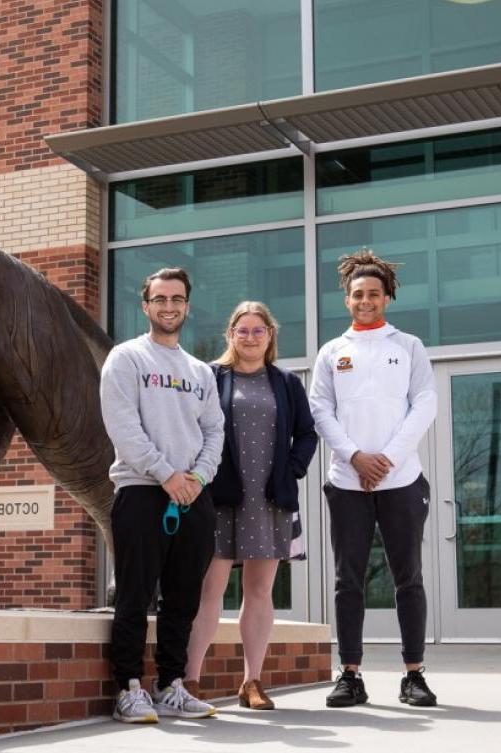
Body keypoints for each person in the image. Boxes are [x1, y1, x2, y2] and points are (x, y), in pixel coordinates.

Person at [308, 249, 439, 708]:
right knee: (349, 580)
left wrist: (386, 458)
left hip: (402, 481)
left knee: (409, 579)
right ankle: (349, 675)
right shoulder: (332, 351)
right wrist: (354, 456)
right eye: (357, 294)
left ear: (387, 298)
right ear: (346, 299)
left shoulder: (408, 347)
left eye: (374, 294)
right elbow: (319, 409)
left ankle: (414, 675)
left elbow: (425, 403)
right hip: (347, 483)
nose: (366, 301)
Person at [101, 267, 226, 723]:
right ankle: (128, 687)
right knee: (134, 594)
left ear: (187, 307)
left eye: (177, 299)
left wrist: (197, 478)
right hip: (140, 492)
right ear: (146, 305)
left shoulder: (200, 371)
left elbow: (214, 429)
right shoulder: (127, 358)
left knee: (183, 598)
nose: (169, 306)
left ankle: (170, 684)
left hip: (194, 497)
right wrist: (165, 473)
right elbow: (123, 426)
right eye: (160, 299)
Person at [184, 301, 318, 710]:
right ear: (231, 334)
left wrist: (292, 469)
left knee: (259, 591)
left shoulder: (286, 382)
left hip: (270, 499)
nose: (250, 337)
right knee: (211, 589)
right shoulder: (209, 376)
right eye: (242, 330)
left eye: (258, 330)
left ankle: (252, 682)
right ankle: (189, 681)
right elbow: (190, 427)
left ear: (270, 335)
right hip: (219, 496)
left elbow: (307, 434)